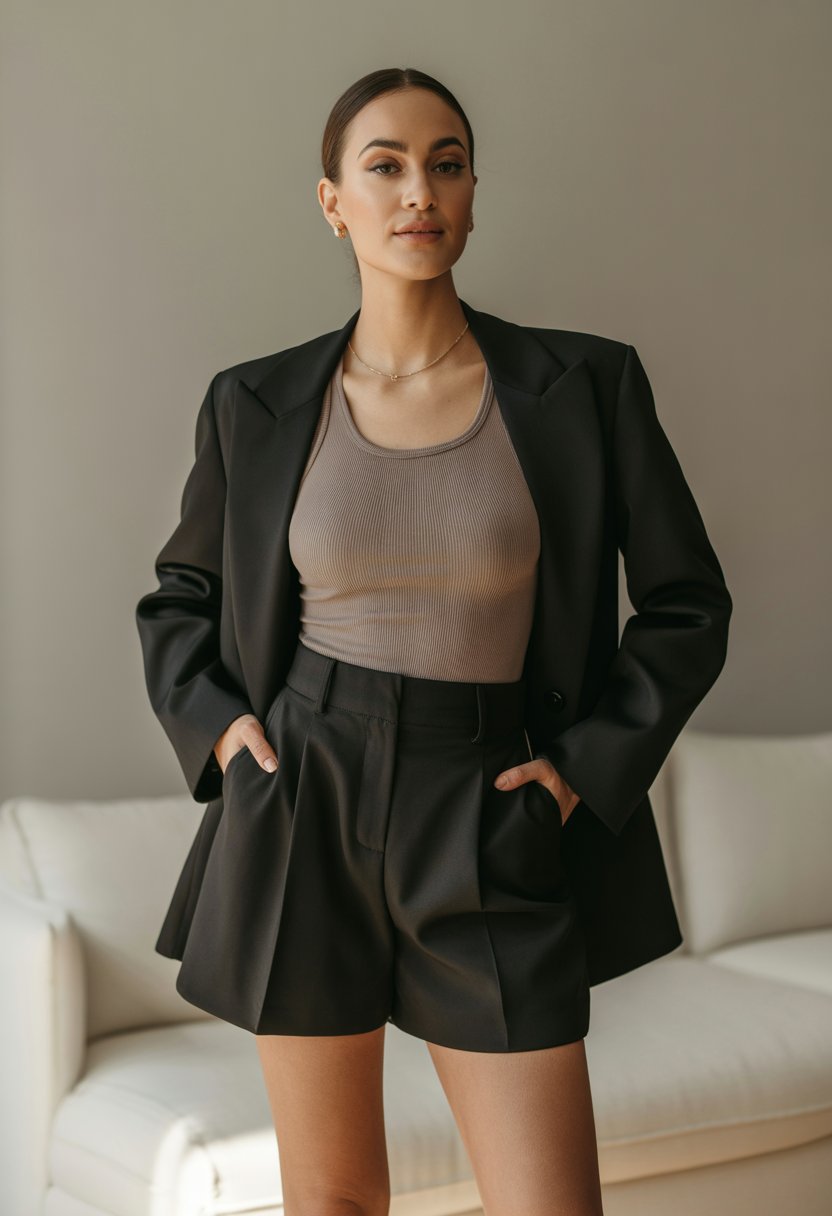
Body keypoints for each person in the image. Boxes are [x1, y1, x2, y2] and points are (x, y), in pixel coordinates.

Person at [136, 67, 732, 1216]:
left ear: (471, 193)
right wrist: (221, 737)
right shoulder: (253, 404)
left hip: (494, 796)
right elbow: (179, 596)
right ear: (333, 202)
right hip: (303, 796)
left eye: (446, 163)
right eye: (387, 165)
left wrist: (578, 776)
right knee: (335, 1202)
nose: (420, 190)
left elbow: (685, 603)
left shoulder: (583, 387)